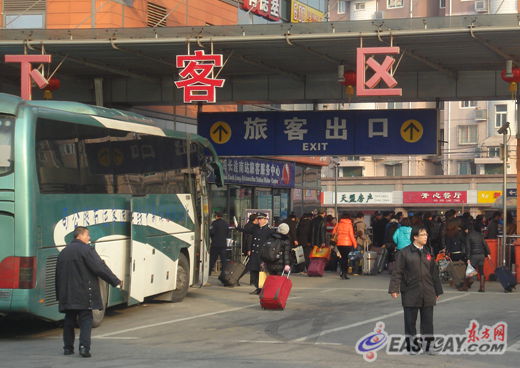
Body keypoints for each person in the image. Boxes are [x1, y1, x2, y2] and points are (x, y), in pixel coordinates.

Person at [55, 226, 121, 358]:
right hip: (84, 293)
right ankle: (84, 347)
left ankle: (68, 348)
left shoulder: (64, 252)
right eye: (87, 235)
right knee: (86, 319)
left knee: (69, 319)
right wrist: (115, 281)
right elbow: (99, 268)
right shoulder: (86, 250)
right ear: (79, 236)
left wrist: (59, 295)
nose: (89, 238)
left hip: (67, 294)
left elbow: (57, 275)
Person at [389, 226, 443, 354]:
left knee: (428, 322)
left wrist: (437, 290)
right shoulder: (404, 253)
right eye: (423, 235)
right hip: (410, 291)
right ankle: (412, 346)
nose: (426, 237)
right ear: (415, 237)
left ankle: (429, 346)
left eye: (426, 234)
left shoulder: (428, 251)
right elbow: (397, 272)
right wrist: (394, 289)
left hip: (428, 291)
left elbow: (434, 273)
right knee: (410, 322)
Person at [249, 212, 274, 295]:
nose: (259, 221)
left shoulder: (268, 230)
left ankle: (262, 288)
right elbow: (247, 230)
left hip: (262, 255)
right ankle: (257, 287)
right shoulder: (256, 228)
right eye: (258, 219)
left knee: (262, 272)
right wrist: (237, 227)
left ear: (265, 220)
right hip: (254, 254)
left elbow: (270, 243)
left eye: (260, 219)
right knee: (253, 271)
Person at [466, 221, 491, 292]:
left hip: (474, 256)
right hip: (481, 255)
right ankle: (482, 287)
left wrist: (468, 258)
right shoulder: (480, 235)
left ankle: (467, 285)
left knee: (470, 270)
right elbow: (485, 244)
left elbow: (468, 248)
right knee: (481, 271)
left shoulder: (469, 236)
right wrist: (488, 254)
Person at [332, 212, 357, 279]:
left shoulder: (338, 224)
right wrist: (355, 244)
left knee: (341, 258)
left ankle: (342, 272)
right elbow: (351, 235)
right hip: (347, 244)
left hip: (339, 244)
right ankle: (344, 274)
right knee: (345, 259)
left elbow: (333, 232)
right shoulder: (349, 225)